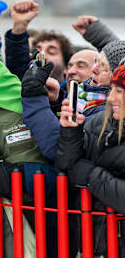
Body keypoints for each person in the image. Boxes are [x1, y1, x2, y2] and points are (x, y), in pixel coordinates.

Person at [55, 64, 125, 257]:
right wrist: (70, 132)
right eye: (111, 89)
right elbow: (66, 168)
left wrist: (91, 176)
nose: (111, 98)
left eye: (119, 91)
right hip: (88, 242)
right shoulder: (100, 121)